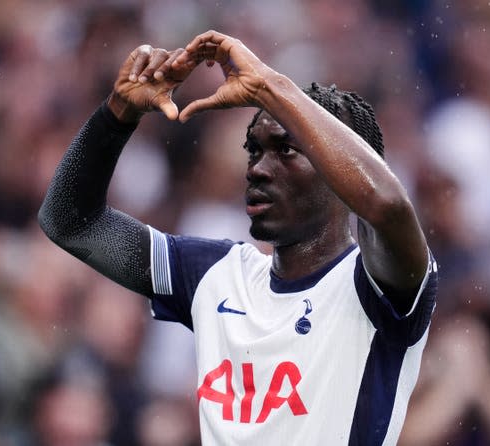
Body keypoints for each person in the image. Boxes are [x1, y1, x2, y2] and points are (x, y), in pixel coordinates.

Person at [38, 30, 438, 446]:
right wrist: (116, 115)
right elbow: (70, 220)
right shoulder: (214, 275)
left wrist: (269, 85)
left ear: (340, 169)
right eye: (254, 150)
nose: (257, 169)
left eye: (285, 150)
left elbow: (387, 206)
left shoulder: (381, 286)